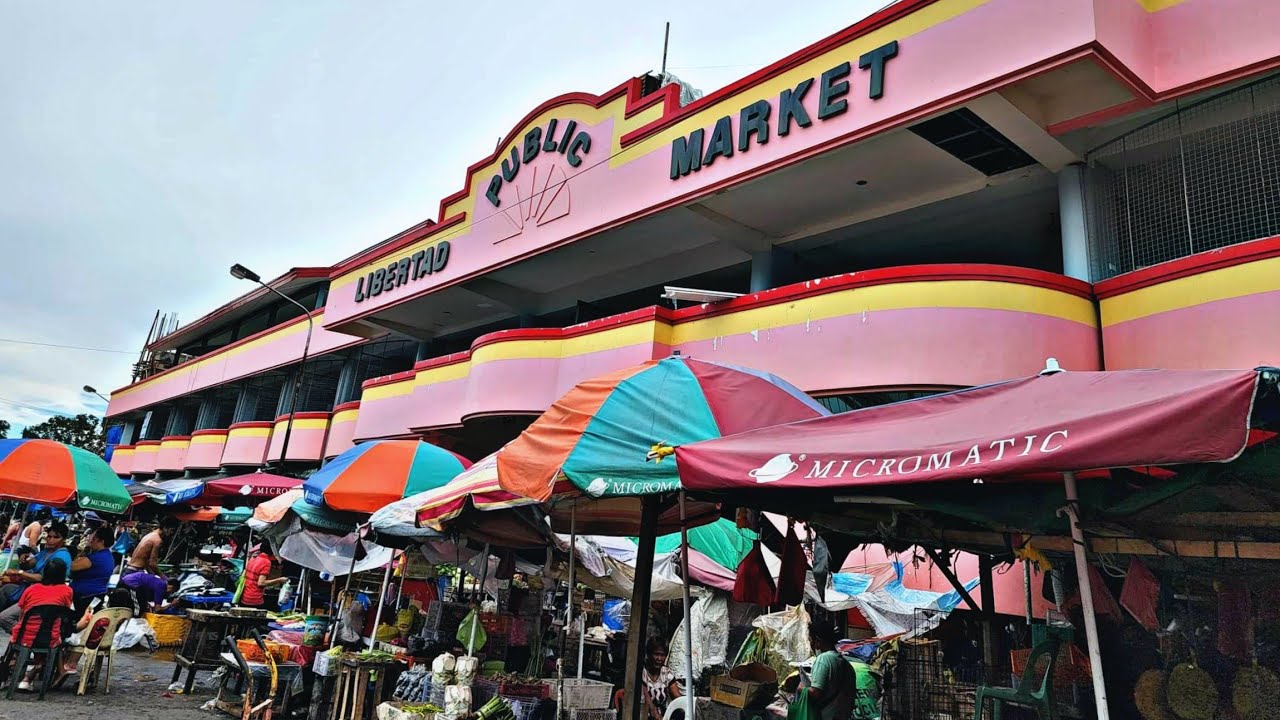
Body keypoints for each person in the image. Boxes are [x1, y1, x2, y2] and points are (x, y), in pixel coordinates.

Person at [5, 559, 91, 689]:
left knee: (35, 632)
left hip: (23, 636)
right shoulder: (66, 591)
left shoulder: (32, 589)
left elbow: (23, 613)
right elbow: (64, 612)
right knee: (56, 637)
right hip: (50, 637)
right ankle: (30, 675)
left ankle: (25, 673)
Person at [0, 520, 73, 615]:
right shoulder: (46, 552)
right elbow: (29, 564)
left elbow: (42, 578)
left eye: (56, 537)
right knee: (5, 589)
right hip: (30, 588)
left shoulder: (61, 556)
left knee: (5, 618)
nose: (51, 540)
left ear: (63, 540)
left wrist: (19, 572)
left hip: (44, 595)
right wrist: (23, 559)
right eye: (49, 536)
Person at [807, 622, 856, 720]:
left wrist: (801, 688)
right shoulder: (846, 663)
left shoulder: (823, 659)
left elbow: (815, 692)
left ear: (817, 640)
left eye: (810, 640)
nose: (810, 644)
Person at [70, 526, 116, 614]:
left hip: (86, 597)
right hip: (96, 594)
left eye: (93, 539)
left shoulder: (95, 558)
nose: (90, 540)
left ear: (101, 541)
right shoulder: (107, 555)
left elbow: (71, 566)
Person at [642, 637, 681, 720]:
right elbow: (646, 699)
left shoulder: (666, 673)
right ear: (649, 654)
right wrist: (655, 714)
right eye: (656, 654)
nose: (659, 658)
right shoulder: (642, 672)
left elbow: (677, 697)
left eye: (662, 655)